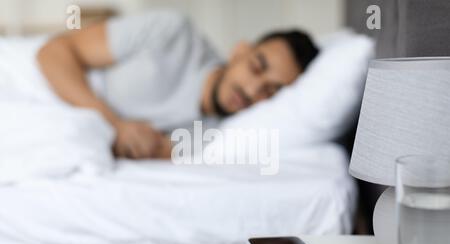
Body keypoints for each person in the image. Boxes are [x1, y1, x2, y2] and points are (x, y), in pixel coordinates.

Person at [37, 11, 319, 159]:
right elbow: (53, 52)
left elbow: (140, 150)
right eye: (256, 68)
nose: (252, 91)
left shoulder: (220, 138)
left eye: (271, 91)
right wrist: (114, 124)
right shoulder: (173, 33)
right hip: (37, 83)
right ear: (239, 51)